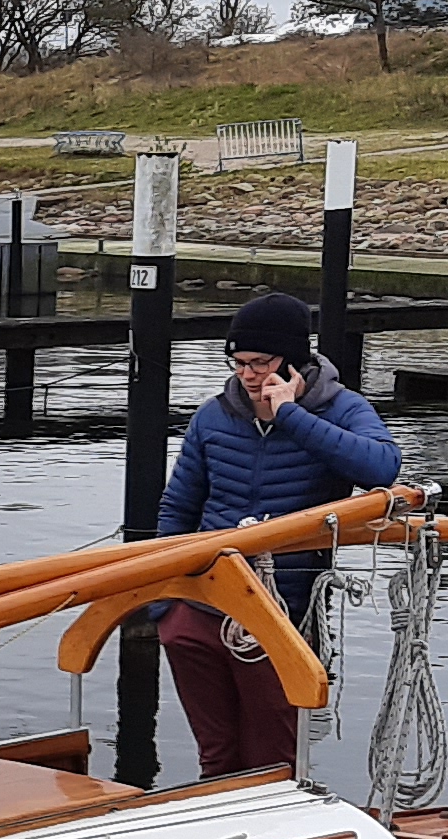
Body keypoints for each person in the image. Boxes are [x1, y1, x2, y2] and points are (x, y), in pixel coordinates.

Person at [153, 288, 400, 778]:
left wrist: (291, 416)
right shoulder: (212, 415)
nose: (247, 374)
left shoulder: (342, 408)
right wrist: (166, 609)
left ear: (292, 363)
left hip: (285, 613)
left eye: (260, 362)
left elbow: (383, 467)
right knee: (216, 758)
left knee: (274, 760)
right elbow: (178, 506)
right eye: (239, 362)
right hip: (202, 610)